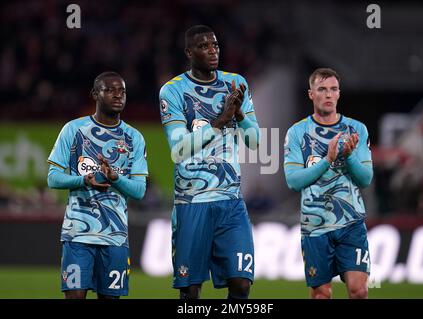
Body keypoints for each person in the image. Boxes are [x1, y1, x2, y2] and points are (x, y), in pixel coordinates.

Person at [159, 25, 260, 299]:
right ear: (189, 53)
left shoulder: (235, 83)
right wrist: (218, 123)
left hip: (231, 201)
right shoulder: (173, 91)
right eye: (204, 47)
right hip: (192, 202)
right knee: (190, 291)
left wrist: (239, 114)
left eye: (215, 45)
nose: (212, 50)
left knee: (241, 283)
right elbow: (178, 149)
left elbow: (254, 141)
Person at [47, 72, 148, 299]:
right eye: (110, 90)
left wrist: (116, 178)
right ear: (95, 94)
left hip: (115, 237)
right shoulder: (73, 130)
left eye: (122, 91)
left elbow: (139, 191)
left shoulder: (134, 138)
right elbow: (53, 178)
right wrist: (83, 180)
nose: (118, 96)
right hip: (78, 236)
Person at [283, 68, 373, 299]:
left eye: (333, 89)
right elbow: (293, 181)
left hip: (351, 222)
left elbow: (365, 178)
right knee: (321, 295)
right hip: (315, 227)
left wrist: (349, 155)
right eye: (322, 89)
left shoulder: (357, 130)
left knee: (359, 291)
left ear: (339, 94)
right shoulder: (297, 133)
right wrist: (328, 160)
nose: (328, 94)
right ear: (311, 94)